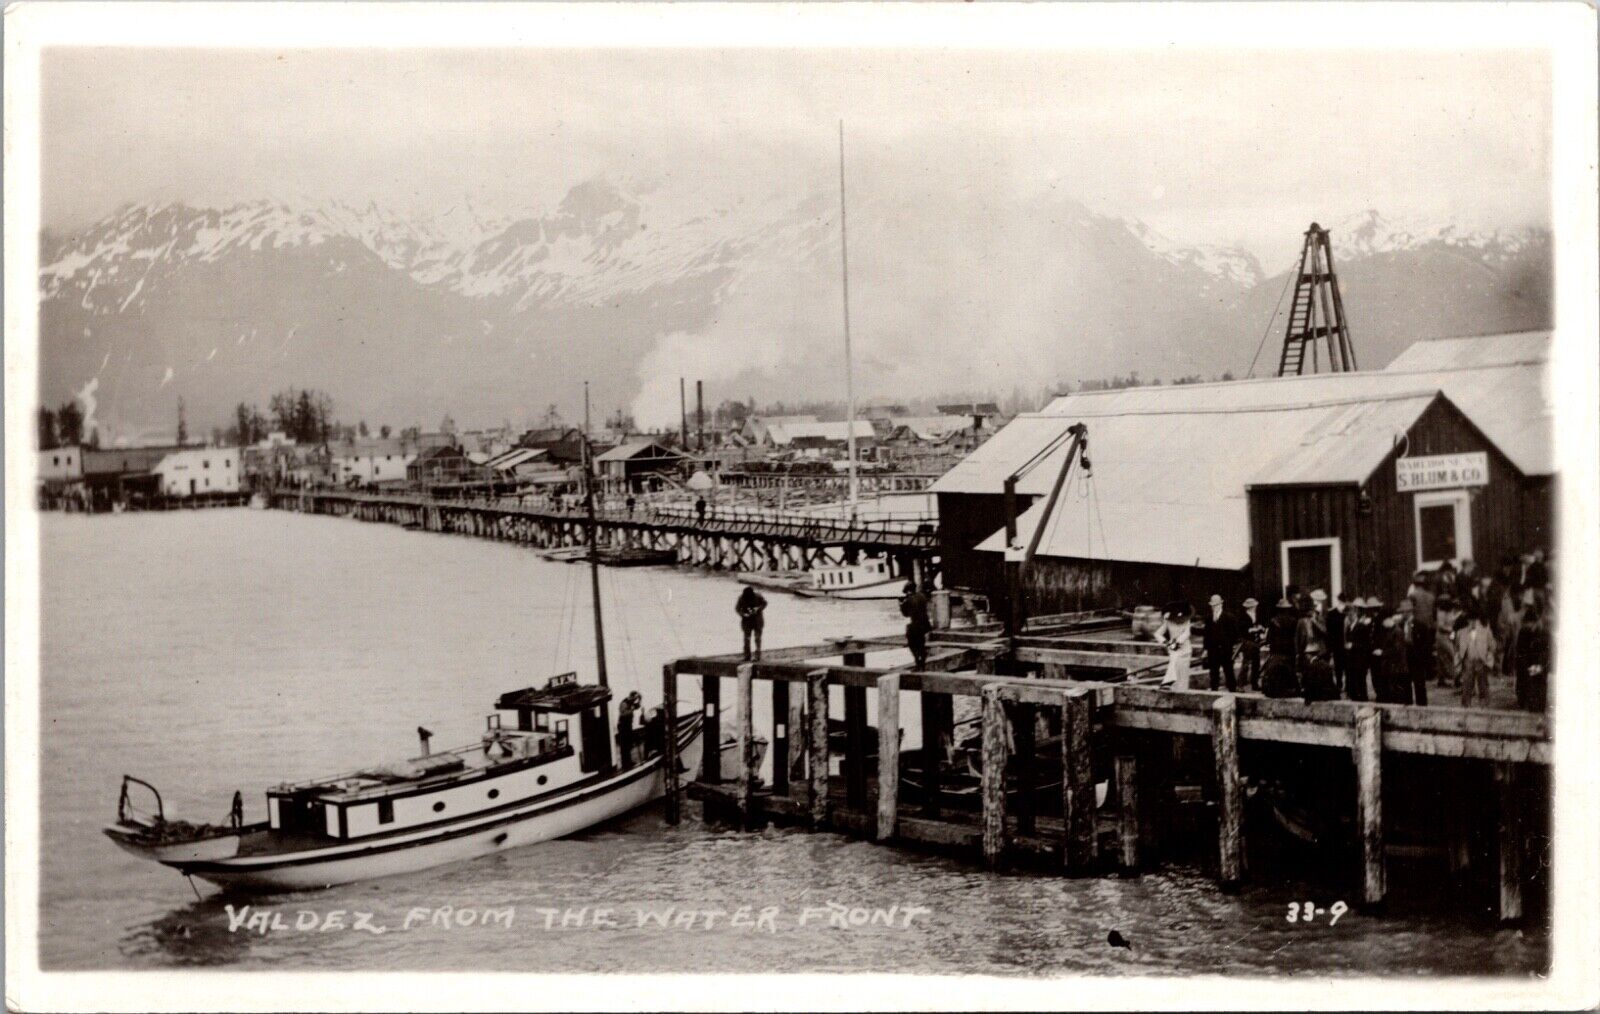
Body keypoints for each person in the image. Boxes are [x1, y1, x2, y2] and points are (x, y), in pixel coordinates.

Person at [1372, 602, 1413, 704]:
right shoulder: (1391, 631)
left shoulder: (1397, 631)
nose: (1382, 624)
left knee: (1397, 694)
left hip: (1397, 668)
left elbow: (1397, 650)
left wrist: (1382, 653)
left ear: (1387, 620)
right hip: (1392, 668)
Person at [1261, 598, 1301, 698]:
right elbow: (1295, 636)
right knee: (1289, 669)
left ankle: (1278, 688)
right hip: (1289, 649)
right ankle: (1289, 688)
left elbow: (1269, 638)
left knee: (1276, 668)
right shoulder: (1293, 621)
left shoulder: (1273, 621)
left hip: (1277, 649)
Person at [1201, 594, 1240, 692]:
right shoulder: (1209, 618)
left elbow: (1235, 634)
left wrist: (1230, 645)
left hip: (1225, 649)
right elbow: (1206, 634)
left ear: (1221, 604)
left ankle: (1232, 690)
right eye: (1213, 605)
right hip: (1212, 650)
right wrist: (1205, 649)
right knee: (1213, 671)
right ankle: (1214, 690)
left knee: (1228, 670)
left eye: (1216, 605)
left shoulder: (1229, 617)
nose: (1214, 607)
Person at [1458, 610, 1496, 708]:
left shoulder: (1485, 630)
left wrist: (1488, 658)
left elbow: (1492, 646)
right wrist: (1461, 658)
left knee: (1483, 684)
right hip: (1468, 660)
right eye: (1470, 621)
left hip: (1481, 660)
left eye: (1475, 621)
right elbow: (1458, 646)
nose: (1473, 623)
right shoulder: (1462, 631)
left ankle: (1484, 705)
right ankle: (1466, 705)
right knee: (1467, 684)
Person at [1516, 602, 1550, 711]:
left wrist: (1537, 666)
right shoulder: (1524, 632)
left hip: (1538, 663)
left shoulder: (1543, 633)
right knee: (1527, 684)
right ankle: (1526, 703)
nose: (1527, 626)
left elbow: (1545, 653)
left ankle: (1537, 706)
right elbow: (1520, 650)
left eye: (1528, 624)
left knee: (1537, 684)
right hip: (1527, 663)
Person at [1343, 597, 1377, 702]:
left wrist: (1353, 645)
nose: (1349, 616)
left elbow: (1366, 645)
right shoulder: (1350, 627)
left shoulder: (1362, 627)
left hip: (1360, 662)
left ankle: (1363, 704)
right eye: (1348, 614)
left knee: (1361, 686)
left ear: (1355, 613)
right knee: (1354, 687)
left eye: (1351, 613)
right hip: (1352, 662)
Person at [1156, 602, 1193, 690]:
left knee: (1183, 674)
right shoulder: (1168, 621)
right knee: (1174, 662)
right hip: (1173, 649)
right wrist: (1166, 642)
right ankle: (1169, 682)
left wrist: (1178, 642)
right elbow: (1158, 634)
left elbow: (1187, 633)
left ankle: (1181, 690)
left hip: (1185, 651)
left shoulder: (1187, 621)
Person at [900, 581, 932, 669]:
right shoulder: (922, 596)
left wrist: (901, 605)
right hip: (925, 624)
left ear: (908, 591)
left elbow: (906, 614)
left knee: (912, 644)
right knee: (921, 643)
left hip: (915, 625)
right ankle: (922, 664)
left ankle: (918, 662)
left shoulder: (908, 600)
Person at [1239, 596, 1267, 690]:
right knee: (1246, 664)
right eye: (1254, 606)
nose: (1255, 607)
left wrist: (1261, 629)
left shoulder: (1256, 615)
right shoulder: (1243, 617)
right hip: (1247, 642)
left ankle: (1254, 683)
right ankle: (1240, 684)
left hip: (1256, 642)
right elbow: (1243, 630)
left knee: (1256, 663)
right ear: (1250, 607)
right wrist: (1255, 629)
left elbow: (1259, 626)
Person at [736, 585, 767, 660]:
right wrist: (743, 614)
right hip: (746, 621)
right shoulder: (741, 598)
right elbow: (737, 609)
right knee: (747, 639)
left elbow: (765, 603)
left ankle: (757, 656)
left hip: (757, 620)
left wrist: (758, 609)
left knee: (757, 638)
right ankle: (747, 656)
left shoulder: (758, 596)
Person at [1327, 592, 1348, 697]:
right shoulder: (1331, 614)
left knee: (1346, 667)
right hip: (1337, 646)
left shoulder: (1347, 613)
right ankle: (1340, 685)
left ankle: (1346, 686)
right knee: (1339, 667)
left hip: (1345, 646)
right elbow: (1329, 632)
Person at [615, 691, 640, 768]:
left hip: (628, 725)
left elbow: (637, 706)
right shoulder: (624, 703)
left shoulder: (631, 702)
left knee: (628, 744)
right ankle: (625, 764)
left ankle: (628, 761)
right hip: (623, 726)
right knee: (624, 745)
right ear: (631, 696)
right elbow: (623, 714)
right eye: (635, 698)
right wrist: (631, 710)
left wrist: (640, 699)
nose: (635, 700)